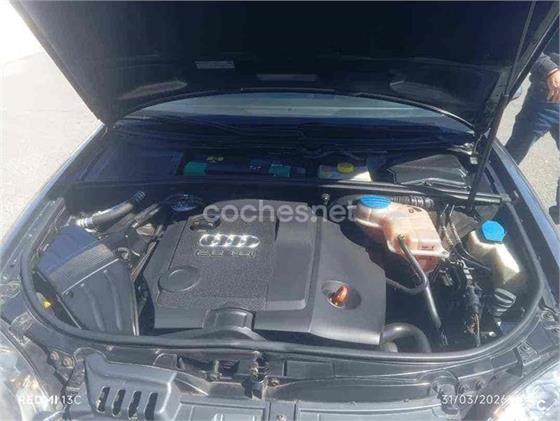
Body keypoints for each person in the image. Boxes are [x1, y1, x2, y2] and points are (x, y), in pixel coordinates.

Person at [505, 46, 560, 223]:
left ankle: (555, 220)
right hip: (547, 97)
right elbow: (530, 43)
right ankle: (489, 198)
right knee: (513, 154)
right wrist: (549, 69)